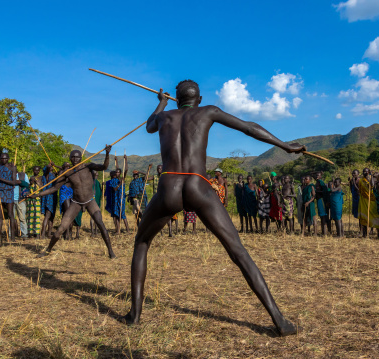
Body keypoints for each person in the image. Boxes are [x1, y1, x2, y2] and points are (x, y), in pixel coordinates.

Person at [121, 80, 305, 336]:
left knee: (141, 244)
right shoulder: (208, 111)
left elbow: (150, 127)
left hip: (169, 185)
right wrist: (285, 145)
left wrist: (161, 104)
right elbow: (249, 128)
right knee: (238, 251)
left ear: (177, 98)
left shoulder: (164, 116)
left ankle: (134, 316)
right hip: (198, 183)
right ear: (199, 98)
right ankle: (279, 321)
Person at [29, 147, 116, 258]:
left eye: (77, 157)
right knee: (60, 228)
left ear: (81, 158)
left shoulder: (88, 166)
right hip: (76, 202)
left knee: (101, 225)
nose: (75, 159)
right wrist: (37, 194)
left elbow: (104, 167)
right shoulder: (67, 173)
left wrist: (107, 154)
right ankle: (47, 251)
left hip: (90, 201)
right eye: (73, 157)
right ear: (70, 158)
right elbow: (55, 188)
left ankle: (111, 252)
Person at [0, 152, 18, 243]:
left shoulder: (12, 168)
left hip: (8, 192)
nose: (3, 160)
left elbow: (13, 182)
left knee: (11, 215)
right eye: (1, 158)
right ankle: (0, 236)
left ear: (8, 159)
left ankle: (13, 237)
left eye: (5, 158)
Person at [357, 168, 379, 238]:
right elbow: (359, 190)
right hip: (363, 200)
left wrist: (371, 177)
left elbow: (372, 185)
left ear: (369, 172)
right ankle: (364, 234)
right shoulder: (361, 180)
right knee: (364, 217)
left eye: (366, 172)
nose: (364, 173)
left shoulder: (371, 179)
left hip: (371, 200)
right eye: (363, 171)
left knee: (374, 216)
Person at [40, 163, 57, 239]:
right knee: (47, 215)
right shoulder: (46, 175)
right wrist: (49, 165)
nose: (52, 168)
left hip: (53, 196)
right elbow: (47, 168)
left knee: (51, 216)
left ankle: (49, 234)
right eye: (50, 167)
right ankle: (43, 234)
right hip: (48, 196)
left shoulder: (53, 175)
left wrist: (55, 166)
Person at [14, 166, 29, 239]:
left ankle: (24, 234)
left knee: (22, 218)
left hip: (21, 199)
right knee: (12, 218)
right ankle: (11, 234)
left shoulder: (23, 175)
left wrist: (20, 182)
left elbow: (27, 184)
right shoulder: (8, 174)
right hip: (10, 200)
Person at [27, 166, 42, 238]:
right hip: (30, 200)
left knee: (37, 216)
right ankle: (30, 233)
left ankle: (37, 234)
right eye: (35, 170)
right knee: (30, 216)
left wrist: (37, 181)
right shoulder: (30, 177)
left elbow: (42, 187)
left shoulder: (40, 178)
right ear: (33, 170)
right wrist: (31, 182)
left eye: (38, 170)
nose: (36, 171)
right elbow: (28, 187)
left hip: (37, 199)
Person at [314, 172, 330, 236]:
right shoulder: (317, 182)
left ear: (321, 176)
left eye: (318, 175)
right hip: (319, 199)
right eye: (316, 175)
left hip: (321, 200)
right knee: (321, 216)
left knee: (323, 216)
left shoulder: (321, 182)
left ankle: (325, 233)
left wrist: (316, 191)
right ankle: (323, 232)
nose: (317, 176)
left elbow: (325, 191)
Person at [90, 170, 103, 237]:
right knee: (92, 217)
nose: (96, 176)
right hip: (92, 202)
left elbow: (100, 192)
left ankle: (96, 231)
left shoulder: (97, 182)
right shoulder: (90, 182)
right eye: (95, 175)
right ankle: (92, 232)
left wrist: (103, 187)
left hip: (97, 202)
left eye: (97, 175)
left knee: (97, 217)